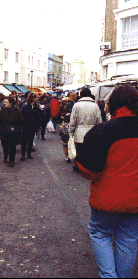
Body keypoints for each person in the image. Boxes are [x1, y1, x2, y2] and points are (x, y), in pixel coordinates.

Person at [76, 84, 138, 278]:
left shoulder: (102, 131)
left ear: (110, 105)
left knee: (100, 234)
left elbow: (89, 171)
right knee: (128, 240)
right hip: (135, 201)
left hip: (106, 200)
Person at [69, 88, 102, 172]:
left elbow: (73, 120)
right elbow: (99, 120)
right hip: (92, 131)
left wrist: (71, 132)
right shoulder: (95, 105)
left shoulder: (76, 105)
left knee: (79, 150)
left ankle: (78, 165)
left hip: (79, 131)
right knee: (90, 150)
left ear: (81, 95)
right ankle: (88, 166)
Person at [0, 97, 22, 167]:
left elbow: (20, 121)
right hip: (4, 132)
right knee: (5, 146)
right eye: (4, 102)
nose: (4, 103)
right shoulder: (2, 111)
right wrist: (1, 128)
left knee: (12, 146)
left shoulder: (17, 111)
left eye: (6, 102)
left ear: (11, 103)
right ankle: (5, 156)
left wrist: (17, 129)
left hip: (13, 132)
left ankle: (12, 160)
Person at [20, 93, 40, 161]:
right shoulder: (25, 105)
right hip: (25, 126)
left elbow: (38, 115)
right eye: (35, 98)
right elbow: (22, 116)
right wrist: (22, 125)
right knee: (24, 141)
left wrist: (37, 124)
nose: (37, 99)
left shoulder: (36, 106)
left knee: (31, 140)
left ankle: (29, 154)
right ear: (32, 98)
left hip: (32, 126)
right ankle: (23, 155)